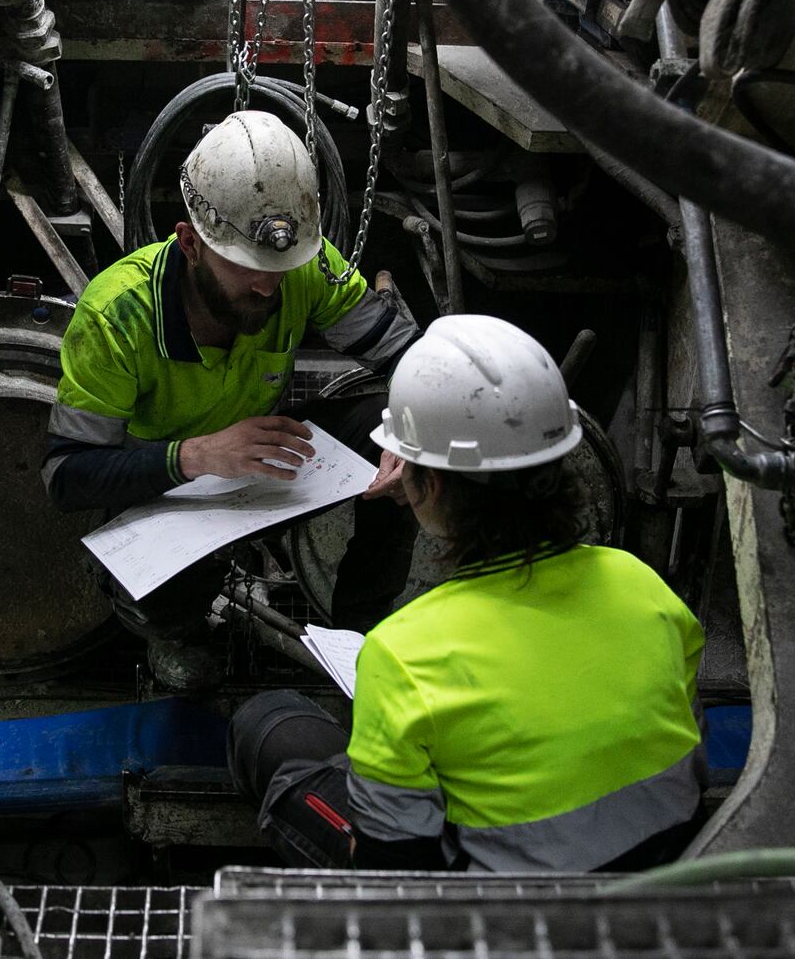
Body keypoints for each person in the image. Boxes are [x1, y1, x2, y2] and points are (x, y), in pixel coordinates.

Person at [227, 315, 707, 872]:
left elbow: (394, 871)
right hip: (668, 874)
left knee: (272, 732)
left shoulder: (402, 655)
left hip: (509, 918)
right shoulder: (640, 582)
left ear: (425, 485)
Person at [43, 109, 419, 691]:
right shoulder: (115, 316)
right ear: (189, 242)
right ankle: (178, 630)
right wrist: (196, 456)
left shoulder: (303, 270)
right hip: (168, 491)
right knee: (165, 598)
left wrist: (410, 438)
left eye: (281, 268)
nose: (269, 287)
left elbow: (407, 356)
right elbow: (66, 476)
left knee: (394, 438)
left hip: (264, 463)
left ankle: (358, 630)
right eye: (248, 269)